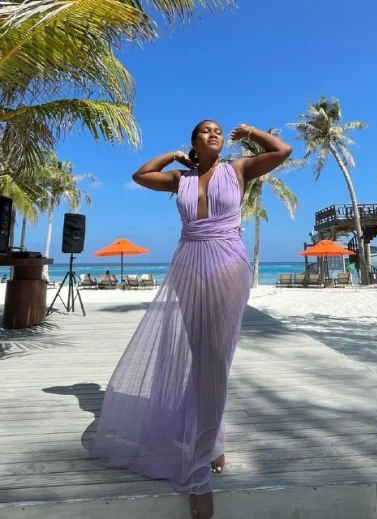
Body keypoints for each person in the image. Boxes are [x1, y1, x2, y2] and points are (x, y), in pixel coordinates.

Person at [93, 121, 292, 519]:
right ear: (194, 142)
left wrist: (251, 132)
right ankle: (213, 439)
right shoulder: (179, 180)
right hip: (188, 265)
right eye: (205, 130)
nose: (214, 133)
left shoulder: (239, 170)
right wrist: (173, 156)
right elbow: (140, 175)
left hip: (227, 264)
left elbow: (283, 151)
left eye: (218, 130)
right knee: (202, 355)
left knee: (216, 358)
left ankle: (198, 473)